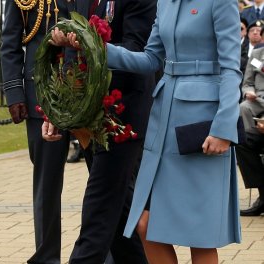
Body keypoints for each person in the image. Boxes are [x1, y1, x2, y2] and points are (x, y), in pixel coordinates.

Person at [65, 0, 243, 262]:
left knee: (200, 236)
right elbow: (149, 59)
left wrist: (224, 128)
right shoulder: (165, 3)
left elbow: (231, 68)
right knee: (146, 226)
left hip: (202, 126)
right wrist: (98, 49)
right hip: (164, 119)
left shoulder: (220, 2)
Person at [43, 0, 157, 263]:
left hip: (123, 115)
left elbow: (138, 51)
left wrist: (88, 44)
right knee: (118, 218)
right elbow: (69, 59)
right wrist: (59, 111)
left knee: (99, 209)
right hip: (90, 118)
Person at [0, 1, 75, 263]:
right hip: (40, 93)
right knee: (47, 183)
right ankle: (46, 257)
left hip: (87, 85)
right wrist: (14, 92)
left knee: (104, 178)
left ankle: (108, 253)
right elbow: (10, 42)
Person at [236, 46, 264, 216]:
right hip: (258, 100)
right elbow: (247, 83)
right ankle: (263, 195)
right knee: (242, 140)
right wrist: (249, 92)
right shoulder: (256, 54)